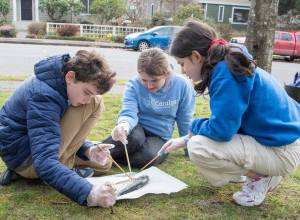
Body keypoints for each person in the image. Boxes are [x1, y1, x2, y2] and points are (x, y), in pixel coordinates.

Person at [160, 20, 300, 207]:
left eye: (182, 63)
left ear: (195, 56)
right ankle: (260, 172)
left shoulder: (226, 73)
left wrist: (193, 127)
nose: (182, 71)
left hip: (281, 152)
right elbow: (226, 121)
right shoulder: (228, 63)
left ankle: (262, 177)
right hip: (279, 143)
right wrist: (183, 140)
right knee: (196, 142)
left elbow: (222, 130)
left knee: (199, 148)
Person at [0, 50, 118, 208]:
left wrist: (89, 150)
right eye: (87, 93)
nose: (86, 100)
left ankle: (69, 167)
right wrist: (90, 194)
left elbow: (50, 131)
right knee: (96, 103)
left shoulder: (58, 85)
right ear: (70, 77)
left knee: (103, 163)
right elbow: (44, 160)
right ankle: (64, 170)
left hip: (32, 151)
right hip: (27, 160)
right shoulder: (44, 95)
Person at [103, 48, 195, 168]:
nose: (149, 86)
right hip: (136, 127)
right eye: (144, 80)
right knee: (133, 139)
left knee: (150, 156)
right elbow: (129, 110)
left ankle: (109, 157)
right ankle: (94, 154)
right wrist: (124, 125)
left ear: (166, 74)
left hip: (160, 136)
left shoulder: (182, 85)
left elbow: (185, 118)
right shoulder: (134, 84)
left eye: (155, 80)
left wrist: (189, 146)